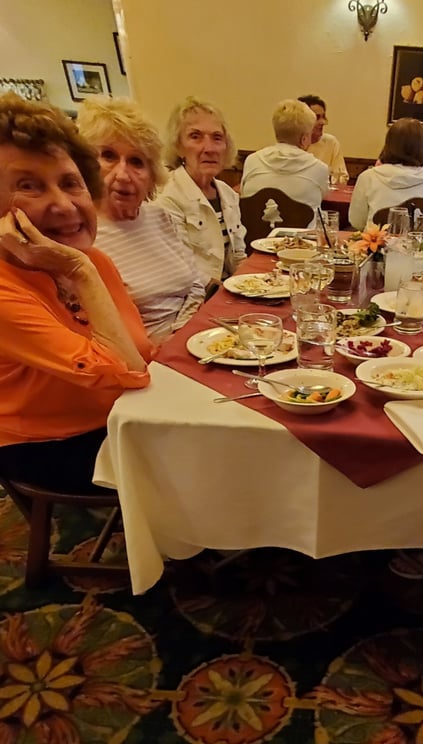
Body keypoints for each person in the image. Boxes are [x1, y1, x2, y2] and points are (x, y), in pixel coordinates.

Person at [0, 93, 152, 492]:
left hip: (120, 417)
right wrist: (78, 269)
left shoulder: (96, 261)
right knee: (207, 457)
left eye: (71, 183)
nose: (65, 206)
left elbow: (140, 354)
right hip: (50, 444)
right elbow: (129, 371)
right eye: (29, 186)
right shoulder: (81, 266)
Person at [77, 98, 207, 343]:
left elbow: (196, 284)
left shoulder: (160, 216)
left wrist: (183, 332)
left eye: (137, 161)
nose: (123, 174)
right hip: (144, 359)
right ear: (85, 165)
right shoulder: (81, 237)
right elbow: (98, 333)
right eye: (108, 156)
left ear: (151, 175)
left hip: (193, 340)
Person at [157, 96, 246, 284]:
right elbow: (182, 270)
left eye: (217, 138)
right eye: (195, 137)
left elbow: (237, 256)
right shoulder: (168, 198)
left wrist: (254, 285)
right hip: (196, 298)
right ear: (178, 146)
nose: (209, 148)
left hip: (228, 291)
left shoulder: (227, 194)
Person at [348, 118, 423, 230]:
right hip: (420, 246)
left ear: (389, 144)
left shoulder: (368, 178)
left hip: (376, 245)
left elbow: (356, 222)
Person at [240, 99, 329, 223]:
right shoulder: (319, 169)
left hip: (255, 240)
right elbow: (322, 197)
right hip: (304, 241)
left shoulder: (252, 161)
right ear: (304, 139)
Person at [298, 94, 347, 178]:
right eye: (317, 117)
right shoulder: (292, 143)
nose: (322, 122)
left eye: (323, 117)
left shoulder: (331, 142)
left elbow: (341, 177)